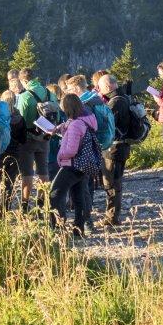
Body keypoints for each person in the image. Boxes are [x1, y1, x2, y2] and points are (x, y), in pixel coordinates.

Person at [51, 94, 97, 236]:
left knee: (54, 194)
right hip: (82, 165)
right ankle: (78, 229)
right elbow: (70, 127)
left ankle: (57, 228)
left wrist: (60, 155)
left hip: (71, 165)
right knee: (78, 197)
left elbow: (71, 149)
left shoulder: (75, 124)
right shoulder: (84, 120)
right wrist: (60, 128)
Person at [15, 68, 56, 210]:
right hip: (45, 136)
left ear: (24, 80)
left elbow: (21, 119)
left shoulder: (24, 96)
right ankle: (42, 202)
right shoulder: (50, 93)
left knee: (27, 174)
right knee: (43, 172)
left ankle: (25, 205)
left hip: (28, 138)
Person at [97, 73, 135, 226]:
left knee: (111, 183)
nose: (99, 91)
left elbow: (108, 127)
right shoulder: (124, 98)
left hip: (113, 149)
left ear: (107, 86)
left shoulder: (115, 103)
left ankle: (112, 217)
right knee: (116, 180)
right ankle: (114, 215)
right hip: (123, 146)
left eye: (100, 87)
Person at [0, 89, 26, 207]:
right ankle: (3, 211)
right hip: (14, 154)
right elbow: (23, 140)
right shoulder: (20, 118)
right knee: (9, 184)